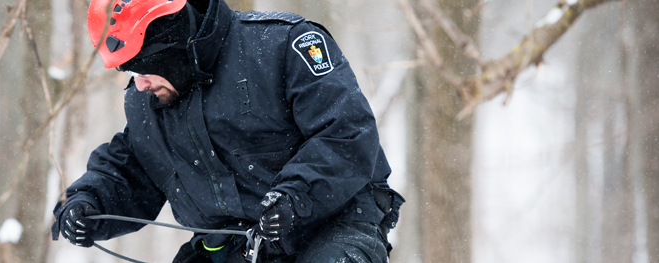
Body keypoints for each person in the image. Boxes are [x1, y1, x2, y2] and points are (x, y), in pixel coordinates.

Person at [51, 0, 405, 262]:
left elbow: (345, 133)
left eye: (142, 67)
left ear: (170, 41)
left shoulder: (283, 47)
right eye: (128, 72)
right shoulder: (150, 100)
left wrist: (293, 198)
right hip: (233, 246)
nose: (139, 83)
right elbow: (134, 167)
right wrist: (89, 202)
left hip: (330, 227)